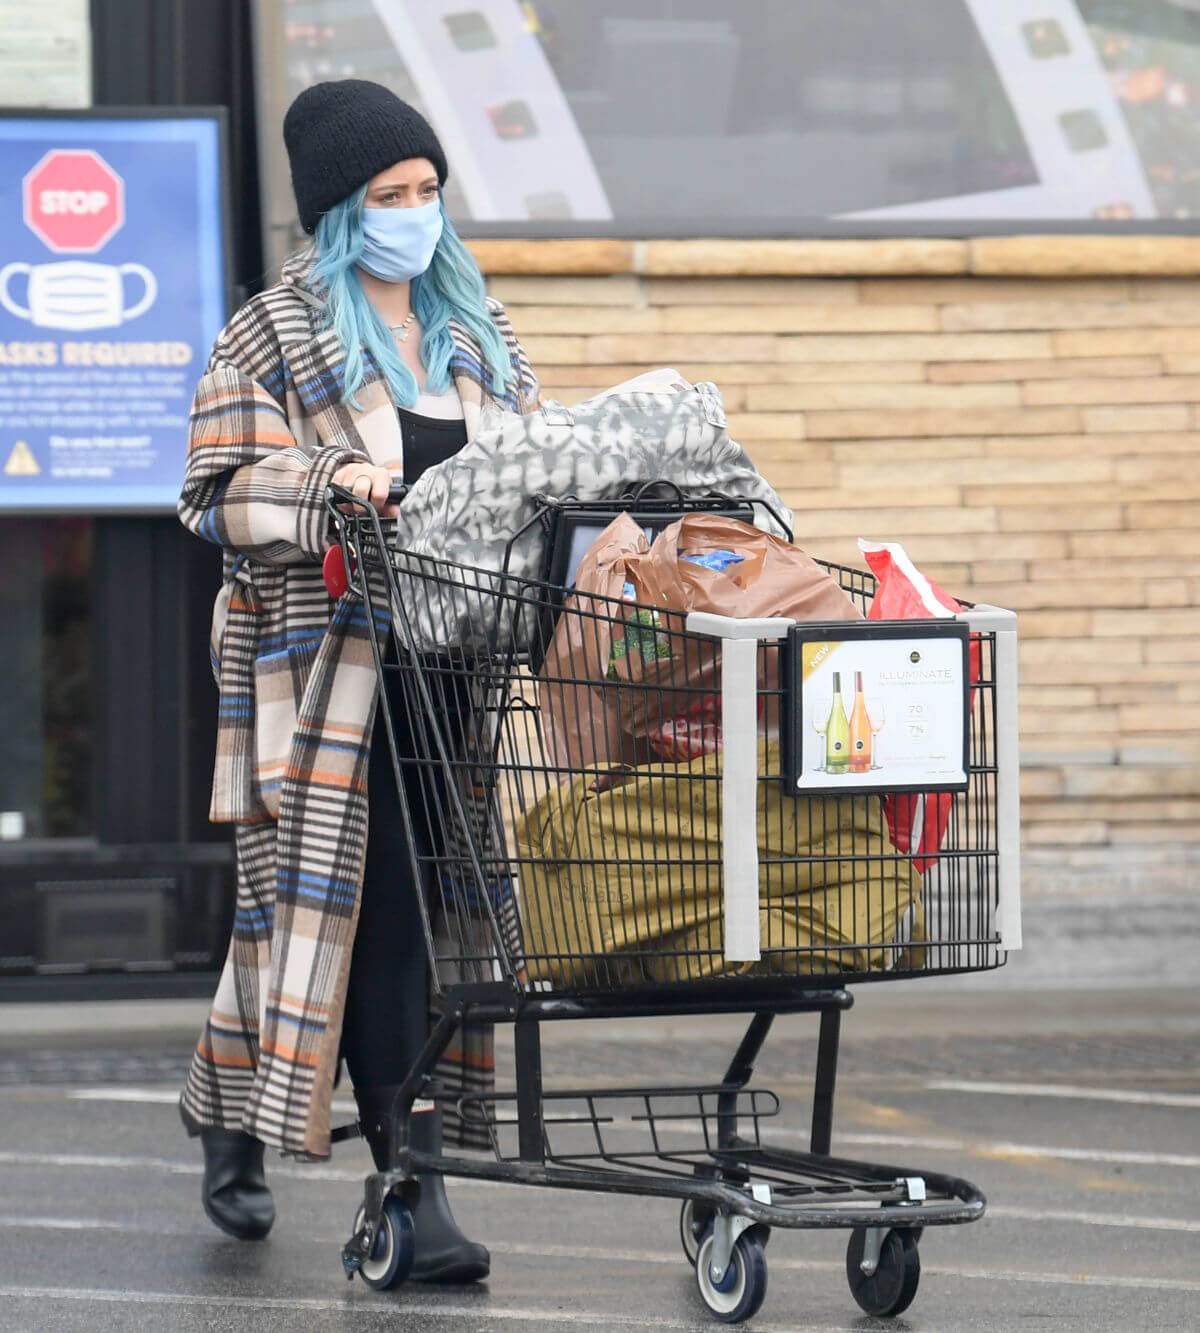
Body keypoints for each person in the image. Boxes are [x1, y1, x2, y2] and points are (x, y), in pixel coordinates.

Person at [175, 79, 539, 1281]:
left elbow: (534, 457)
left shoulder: (472, 326)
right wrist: (329, 480)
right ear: (341, 211)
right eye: (392, 196)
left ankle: (232, 1108)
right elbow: (215, 488)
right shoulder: (272, 332)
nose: (417, 214)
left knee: (349, 913)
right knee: (370, 910)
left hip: (453, 671)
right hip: (326, 670)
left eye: (430, 191)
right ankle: (410, 1182)